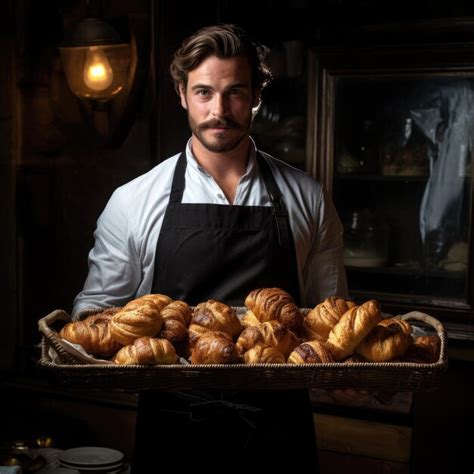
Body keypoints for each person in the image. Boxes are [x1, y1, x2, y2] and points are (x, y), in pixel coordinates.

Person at [73, 24, 348, 473]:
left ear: (257, 95)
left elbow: (328, 317)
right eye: (203, 92)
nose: (218, 110)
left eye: (234, 92)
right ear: (182, 94)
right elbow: (96, 313)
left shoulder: (307, 198)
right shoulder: (133, 200)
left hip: (279, 433)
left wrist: (346, 370)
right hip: (172, 431)